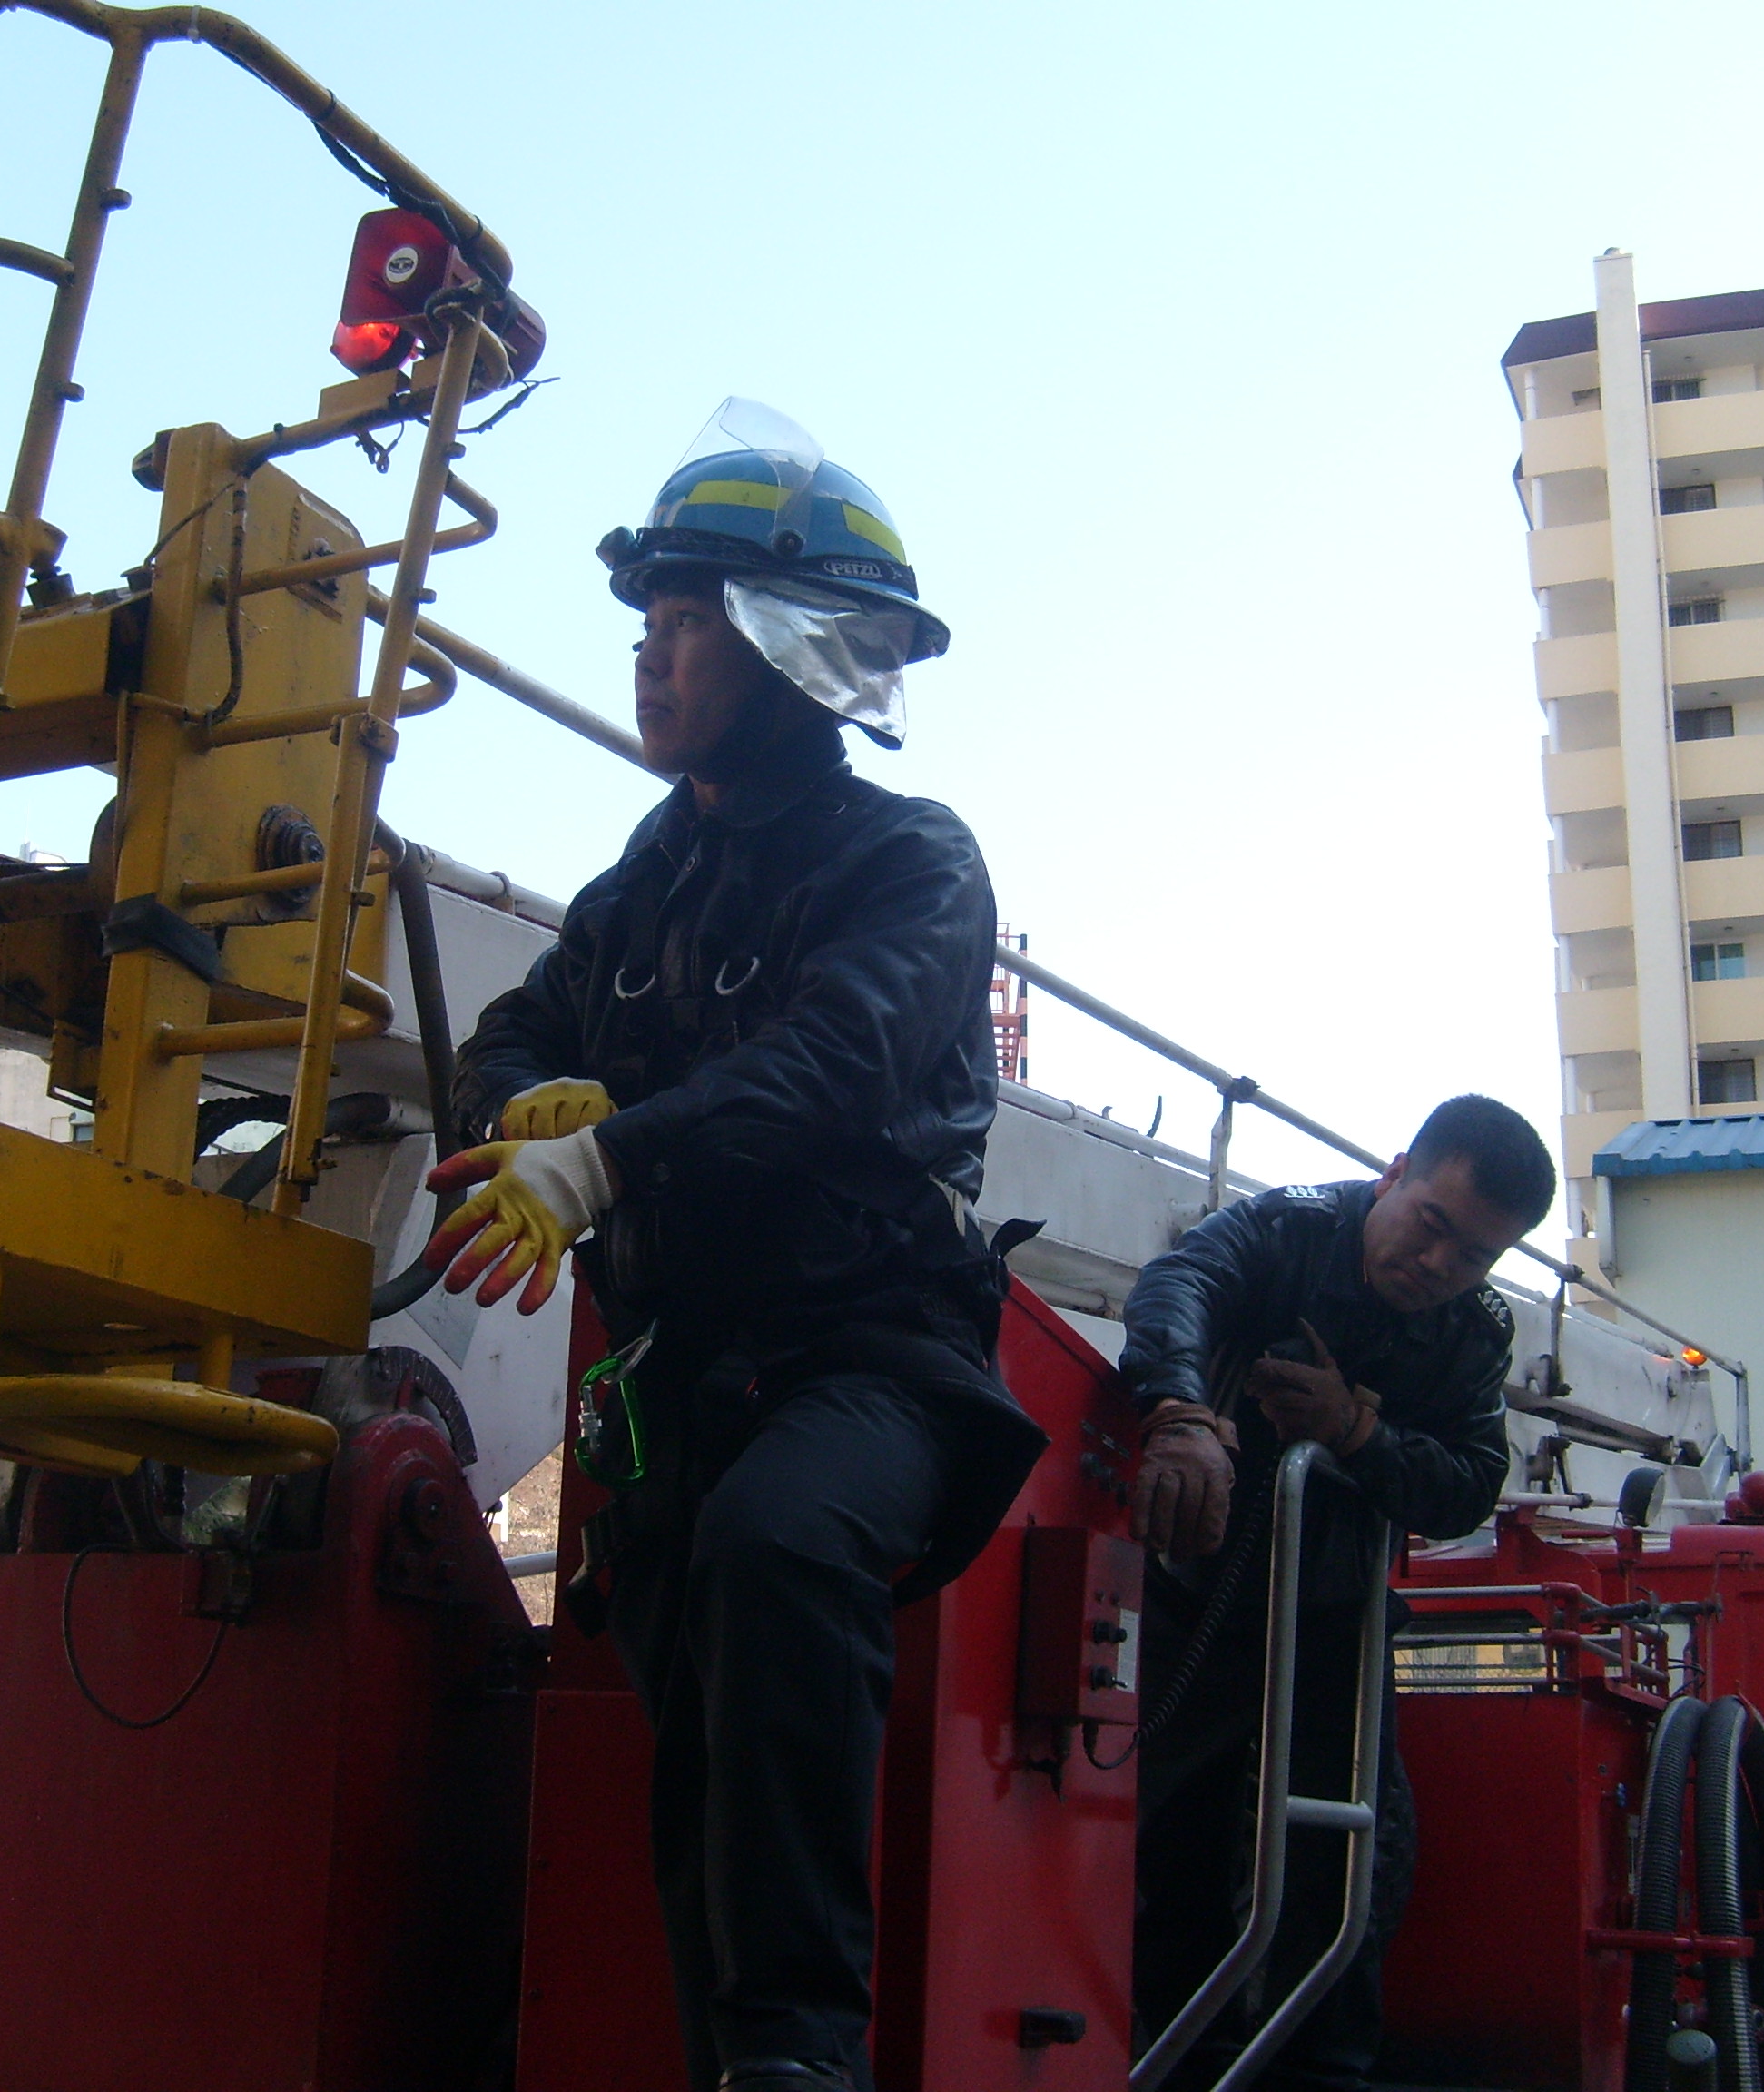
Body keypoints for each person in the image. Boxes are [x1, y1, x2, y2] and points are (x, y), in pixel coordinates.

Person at [425, 401, 1045, 2092]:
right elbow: (513, 1024)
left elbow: (834, 1064)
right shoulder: (651, 877)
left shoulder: (912, 860)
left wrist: (604, 1157)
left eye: (688, 617)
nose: (651, 650)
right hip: (679, 1384)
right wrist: (526, 1096)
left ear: (790, 653)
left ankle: (798, 2059)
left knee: (781, 1547)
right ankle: (738, 2059)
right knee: (695, 1734)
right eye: (649, 615)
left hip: (870, 1359)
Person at [1119, 1094, 1556, 2092]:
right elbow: (1180, 1282)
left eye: (1474, 1257)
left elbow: (1469, 1486)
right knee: (1171, 1840)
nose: (1438, 1265)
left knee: (1354, 1860)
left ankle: (1325, 2072)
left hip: (1336, 1626)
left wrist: (1354, 1434)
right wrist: (1179, 1412)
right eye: (1431, 1225)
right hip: (1195, 1600)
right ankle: (1174, 2058)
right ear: (1394, 1174)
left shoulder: (1474, 1336)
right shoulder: (1288, 1229)